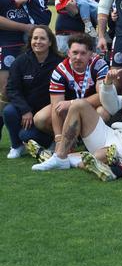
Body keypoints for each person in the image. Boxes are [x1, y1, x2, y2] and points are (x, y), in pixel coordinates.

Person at [30, 34, 109, 170]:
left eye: (83, 53)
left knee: (103, 112)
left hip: (94, 109)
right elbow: (56, 106)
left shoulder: (99, 65)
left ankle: (90, 146)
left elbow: (102, 97)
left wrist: (73, 103)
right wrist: (59, 138)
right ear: (68, 53)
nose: (78, 57)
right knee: (40, 118)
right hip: (69, 111)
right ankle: (68, 145)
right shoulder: (60, 70)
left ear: (91, 54)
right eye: (75, 53)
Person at [4, 26, 61, 158]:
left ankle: (50, 141)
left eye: (42, 38)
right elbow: (12, 89)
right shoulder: (20, 61)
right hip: (27, 109)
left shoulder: (58, 62)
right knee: (9, 111)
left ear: (50, 42)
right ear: (30, 41)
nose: (38, 42)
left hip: (47, 112)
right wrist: (25, 110)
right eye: (35, 38)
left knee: (26, 135)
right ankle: (17, 146)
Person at [0, 0, 34, 137]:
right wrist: (24, 28)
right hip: (5, 44)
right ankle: (11, 136)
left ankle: (25, 135)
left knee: (27, 87)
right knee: (6, 91)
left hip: (28, 44)